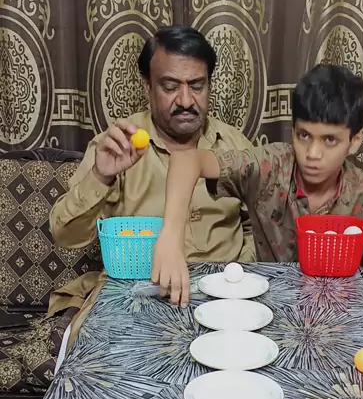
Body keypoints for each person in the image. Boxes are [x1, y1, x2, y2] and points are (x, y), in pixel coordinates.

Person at [48, 25, 256, 345]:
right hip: (137, 295)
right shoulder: (117, 146)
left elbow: (255, 227)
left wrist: (238, 276)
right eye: (170, 86)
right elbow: (65, 236)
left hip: (222, 297)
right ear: (147, 86)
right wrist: (100, 177)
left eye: (197, 85)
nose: (185, 100)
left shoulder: (235, 146)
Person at [151, 63, 363, 305]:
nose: (312, 153)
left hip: (338, 313)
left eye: (329, 140)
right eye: (304, 135)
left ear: (355, 140)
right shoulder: (270, 167)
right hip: (267, 309)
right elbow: (187, 160)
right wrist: (171, 236)